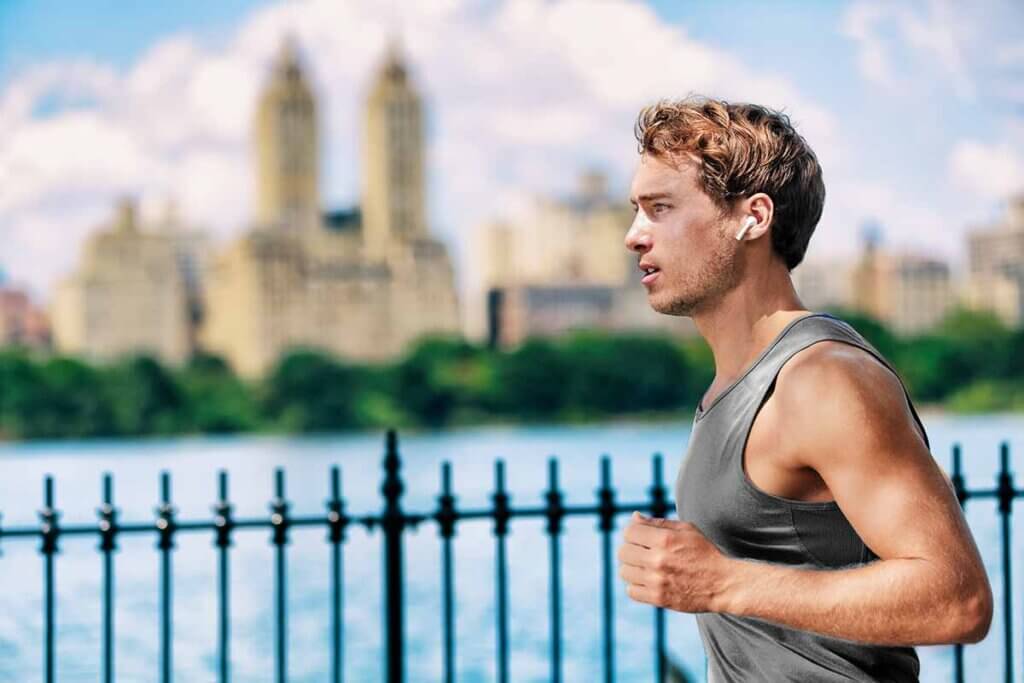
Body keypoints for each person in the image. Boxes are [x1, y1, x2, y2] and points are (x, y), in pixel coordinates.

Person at [616, 95, 993, 682]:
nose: (634, 236)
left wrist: (721, 582)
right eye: (636, 210)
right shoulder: (733, 382)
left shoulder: (822, 379)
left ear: (753, 217)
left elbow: (958, 600)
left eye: (659, 207)